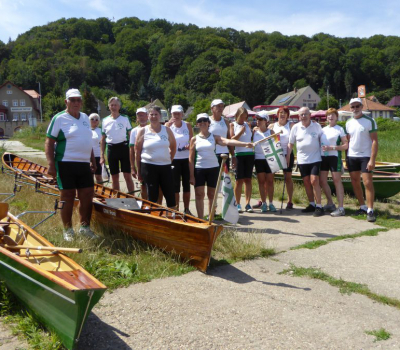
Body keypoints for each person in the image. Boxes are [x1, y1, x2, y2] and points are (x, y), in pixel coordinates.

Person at [45, 89, 97, 241]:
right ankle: (67, 229)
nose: (76, 103)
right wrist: (50, 164)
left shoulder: (85, 117)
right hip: (65, 163)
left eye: (78, 100)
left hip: (83, 164)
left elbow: (88, 140)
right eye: (72, 100)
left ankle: (84, 227)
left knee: (87, 195)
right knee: (67, 196)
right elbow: (49, 142)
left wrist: (92, 160)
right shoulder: (59, 118)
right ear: (66, 102)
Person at [189, 113, 253, 219]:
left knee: (211, 195)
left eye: (205, 120)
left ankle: (210, 218)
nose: (202, 123)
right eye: (200, 121)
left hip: (213, 168)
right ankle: (200, 219)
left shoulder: (215, 138)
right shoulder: (194, 139)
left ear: (209, 123)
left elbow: (228, 141)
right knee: (199, 194)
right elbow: (191, 159)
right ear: (197, 124)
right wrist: (191, 175)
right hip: (199, 169)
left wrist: (245, 144)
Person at [135, 106, 176, 208]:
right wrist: (138, 171)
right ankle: (152, 216)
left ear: (160, 116)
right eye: (151, 114)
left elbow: (173, 147)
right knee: (152, 195)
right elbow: (137, 151)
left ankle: (173, 217)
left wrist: (169, 160)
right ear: (148, 116)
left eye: (156, 114)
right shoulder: (143, 131)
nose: (153, 117)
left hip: (165, 166)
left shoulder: (167, 130)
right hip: (148, 166)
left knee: (170, 194)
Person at [287, 107, 324, 217]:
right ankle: (311, 204)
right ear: (299, 116)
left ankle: (319, 206)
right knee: (306, 182)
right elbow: (291, 143)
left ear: (310, 115)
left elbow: (323, 140)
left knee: (314, 181)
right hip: (302, 159)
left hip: (315, 158)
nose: (303, 116)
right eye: (301, 114)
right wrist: (288, 155)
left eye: (305, 114)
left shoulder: (316, 126)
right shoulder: (296, 128)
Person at [346, 98, 378, 222]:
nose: (355, 109)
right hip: (352, 156)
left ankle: (370, 210)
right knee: (355, 181)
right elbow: (348, 141)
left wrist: (372, 159)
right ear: (350, 108)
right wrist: (346, 158)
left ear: (362, 106)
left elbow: (375, 141)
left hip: (365, 156)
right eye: (352, 107)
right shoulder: (348, 122)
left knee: (367, 182)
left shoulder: (370, 121)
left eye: (357, 106)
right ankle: (362, 206)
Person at [100, 97, 135, 193]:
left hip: (124, 148)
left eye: (115, 105)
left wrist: (133, 151)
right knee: (114, 176)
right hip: (111, 149)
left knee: (127, 175)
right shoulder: (105, 120)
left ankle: (132, 197)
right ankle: (117, 199)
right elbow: (103, 139)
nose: (114, 107)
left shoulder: (125, 118)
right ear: (109, 107)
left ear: (119, 106)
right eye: (112, 105)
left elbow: (130, 135)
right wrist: (102, 156)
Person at [319, 108, 348, 217]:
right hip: (323, 157)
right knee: (322, 180)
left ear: (336, 117)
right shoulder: (322, 129)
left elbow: (346, 145)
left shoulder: (340, 129)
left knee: (337, 180)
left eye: (333, 115)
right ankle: (330, 203)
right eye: (328, 115)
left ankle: (341, 208)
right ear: (326, 117)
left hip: (334, 157)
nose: (330, 117)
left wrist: (333, 147)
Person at [165, 105, 194, 214]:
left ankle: (186, 209)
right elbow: (164, 140)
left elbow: (192, 140)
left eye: (178, 113)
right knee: (175, 186)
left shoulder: (187, 125)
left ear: (182, 114)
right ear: (171, 114)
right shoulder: (168, 126)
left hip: (186, 159)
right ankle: (176, 210)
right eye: (174, 114)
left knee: (186, 185)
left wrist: (189, 145)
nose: (176, 116)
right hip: (174, 159)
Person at [265, 106, 295, 209]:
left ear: (287, 115)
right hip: (275, 153)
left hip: (288, 153)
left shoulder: (291, 125)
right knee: (269, 178)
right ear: (277, 115)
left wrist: (288, 155)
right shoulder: (272, 126)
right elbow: (263, 134)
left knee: (288, 177)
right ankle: (266, 201)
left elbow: (292, 142)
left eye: (284, 113)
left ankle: (290, 201)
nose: (282, 115)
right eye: (280, 113)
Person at [229, 107, 255, 213]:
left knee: (248, 179)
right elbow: (231, 139)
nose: (243, 119)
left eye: (245, 117)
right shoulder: (233, 124)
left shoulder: (248, 124)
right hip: (239, 154)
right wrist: (240, 132)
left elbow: (251, 138)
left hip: (249, 154)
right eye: (242, 117)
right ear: (238, 115)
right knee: (239, 180)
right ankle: (238, 203)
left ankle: (248, 204)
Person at [253, 111, 276, 213]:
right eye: (257, 119)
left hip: (269, 159)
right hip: (259, 159)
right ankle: (264, 203)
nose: (258, 121)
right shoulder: (254, 132)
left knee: (270, 181)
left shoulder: (271, 132)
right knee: (261, 182)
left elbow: (276, 146)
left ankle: (271, 203)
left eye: (260, 119)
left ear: (266, 121)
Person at [208, 99, 235, 170]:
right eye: (218, 106)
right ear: (212, 108)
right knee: (214, 179)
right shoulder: (207, 121)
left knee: (225, 178)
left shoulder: (225, 121)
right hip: (211, 154)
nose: (220, 108)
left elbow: (229, 139)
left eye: (222, 106)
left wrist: (233, 155)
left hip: (224, 154)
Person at [129, 107, 149, 199]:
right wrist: (133, 167)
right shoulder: (134, 131)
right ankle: (145, 205)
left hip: (152, 161)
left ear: (147, 116)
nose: (141, 117)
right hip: (140, 162)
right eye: (139, 115)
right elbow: (132, 150)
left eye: (143, 115)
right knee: (143, 185)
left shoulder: (153, 128)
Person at [89, 113, 103, 184]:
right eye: (92, 119)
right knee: (89, 176)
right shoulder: (86, 130)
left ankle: (101, 192)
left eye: (96, 119)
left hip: (97, 155)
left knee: (98, 176)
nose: (94, 120)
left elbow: (103, 143)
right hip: (87, 155)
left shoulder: (100, 131)